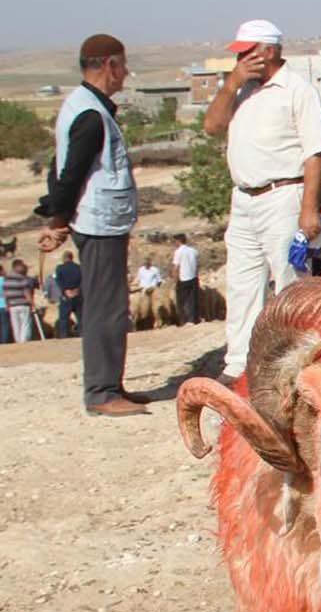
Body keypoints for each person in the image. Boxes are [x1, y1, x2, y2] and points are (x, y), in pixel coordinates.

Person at [202, 19, 321, 385]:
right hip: (244, 198)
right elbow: (212, 126)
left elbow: (315, 153)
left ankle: (297, 359)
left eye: (247, 52)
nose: (241, 58)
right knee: (243, 282)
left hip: (283, 195)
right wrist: (231, 84)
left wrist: (309, 208)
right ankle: (239, 363)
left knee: (289, 279)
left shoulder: (297, 90)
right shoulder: (241, 91)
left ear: (269, 51)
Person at [34, 34, 146, 414]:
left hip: (102, 222)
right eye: (123, 65)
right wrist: (57, 221)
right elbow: (70, 174)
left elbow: (58, 167)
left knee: (110, 304)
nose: (126, 73)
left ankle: (111, 383)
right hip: (99, 224)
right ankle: (101, 392)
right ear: (110, 65)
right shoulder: (91, 115)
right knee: (105, 308)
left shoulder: (83, 107)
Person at [4, 259, 38, 342]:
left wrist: (7, 305)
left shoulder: (7, 279)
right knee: (25, 323)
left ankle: (18, 341)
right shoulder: (22, 278)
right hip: (23, 304)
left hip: (12, 305)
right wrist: (32, 304)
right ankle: (24, 341)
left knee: (16, 325)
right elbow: (27, 293)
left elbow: (6, 294)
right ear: (16, 267)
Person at [171, 234, 199, 324]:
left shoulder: (178, 252)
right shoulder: (193, 251)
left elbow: (176, 267)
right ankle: (193, 319)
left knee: (182, 300)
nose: (174, 243)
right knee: (193, 299)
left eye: (175, 241)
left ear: (178, 241)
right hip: (194, 278)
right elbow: (197, 265)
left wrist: (175, 280)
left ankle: (184, 320)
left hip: (183, 279)